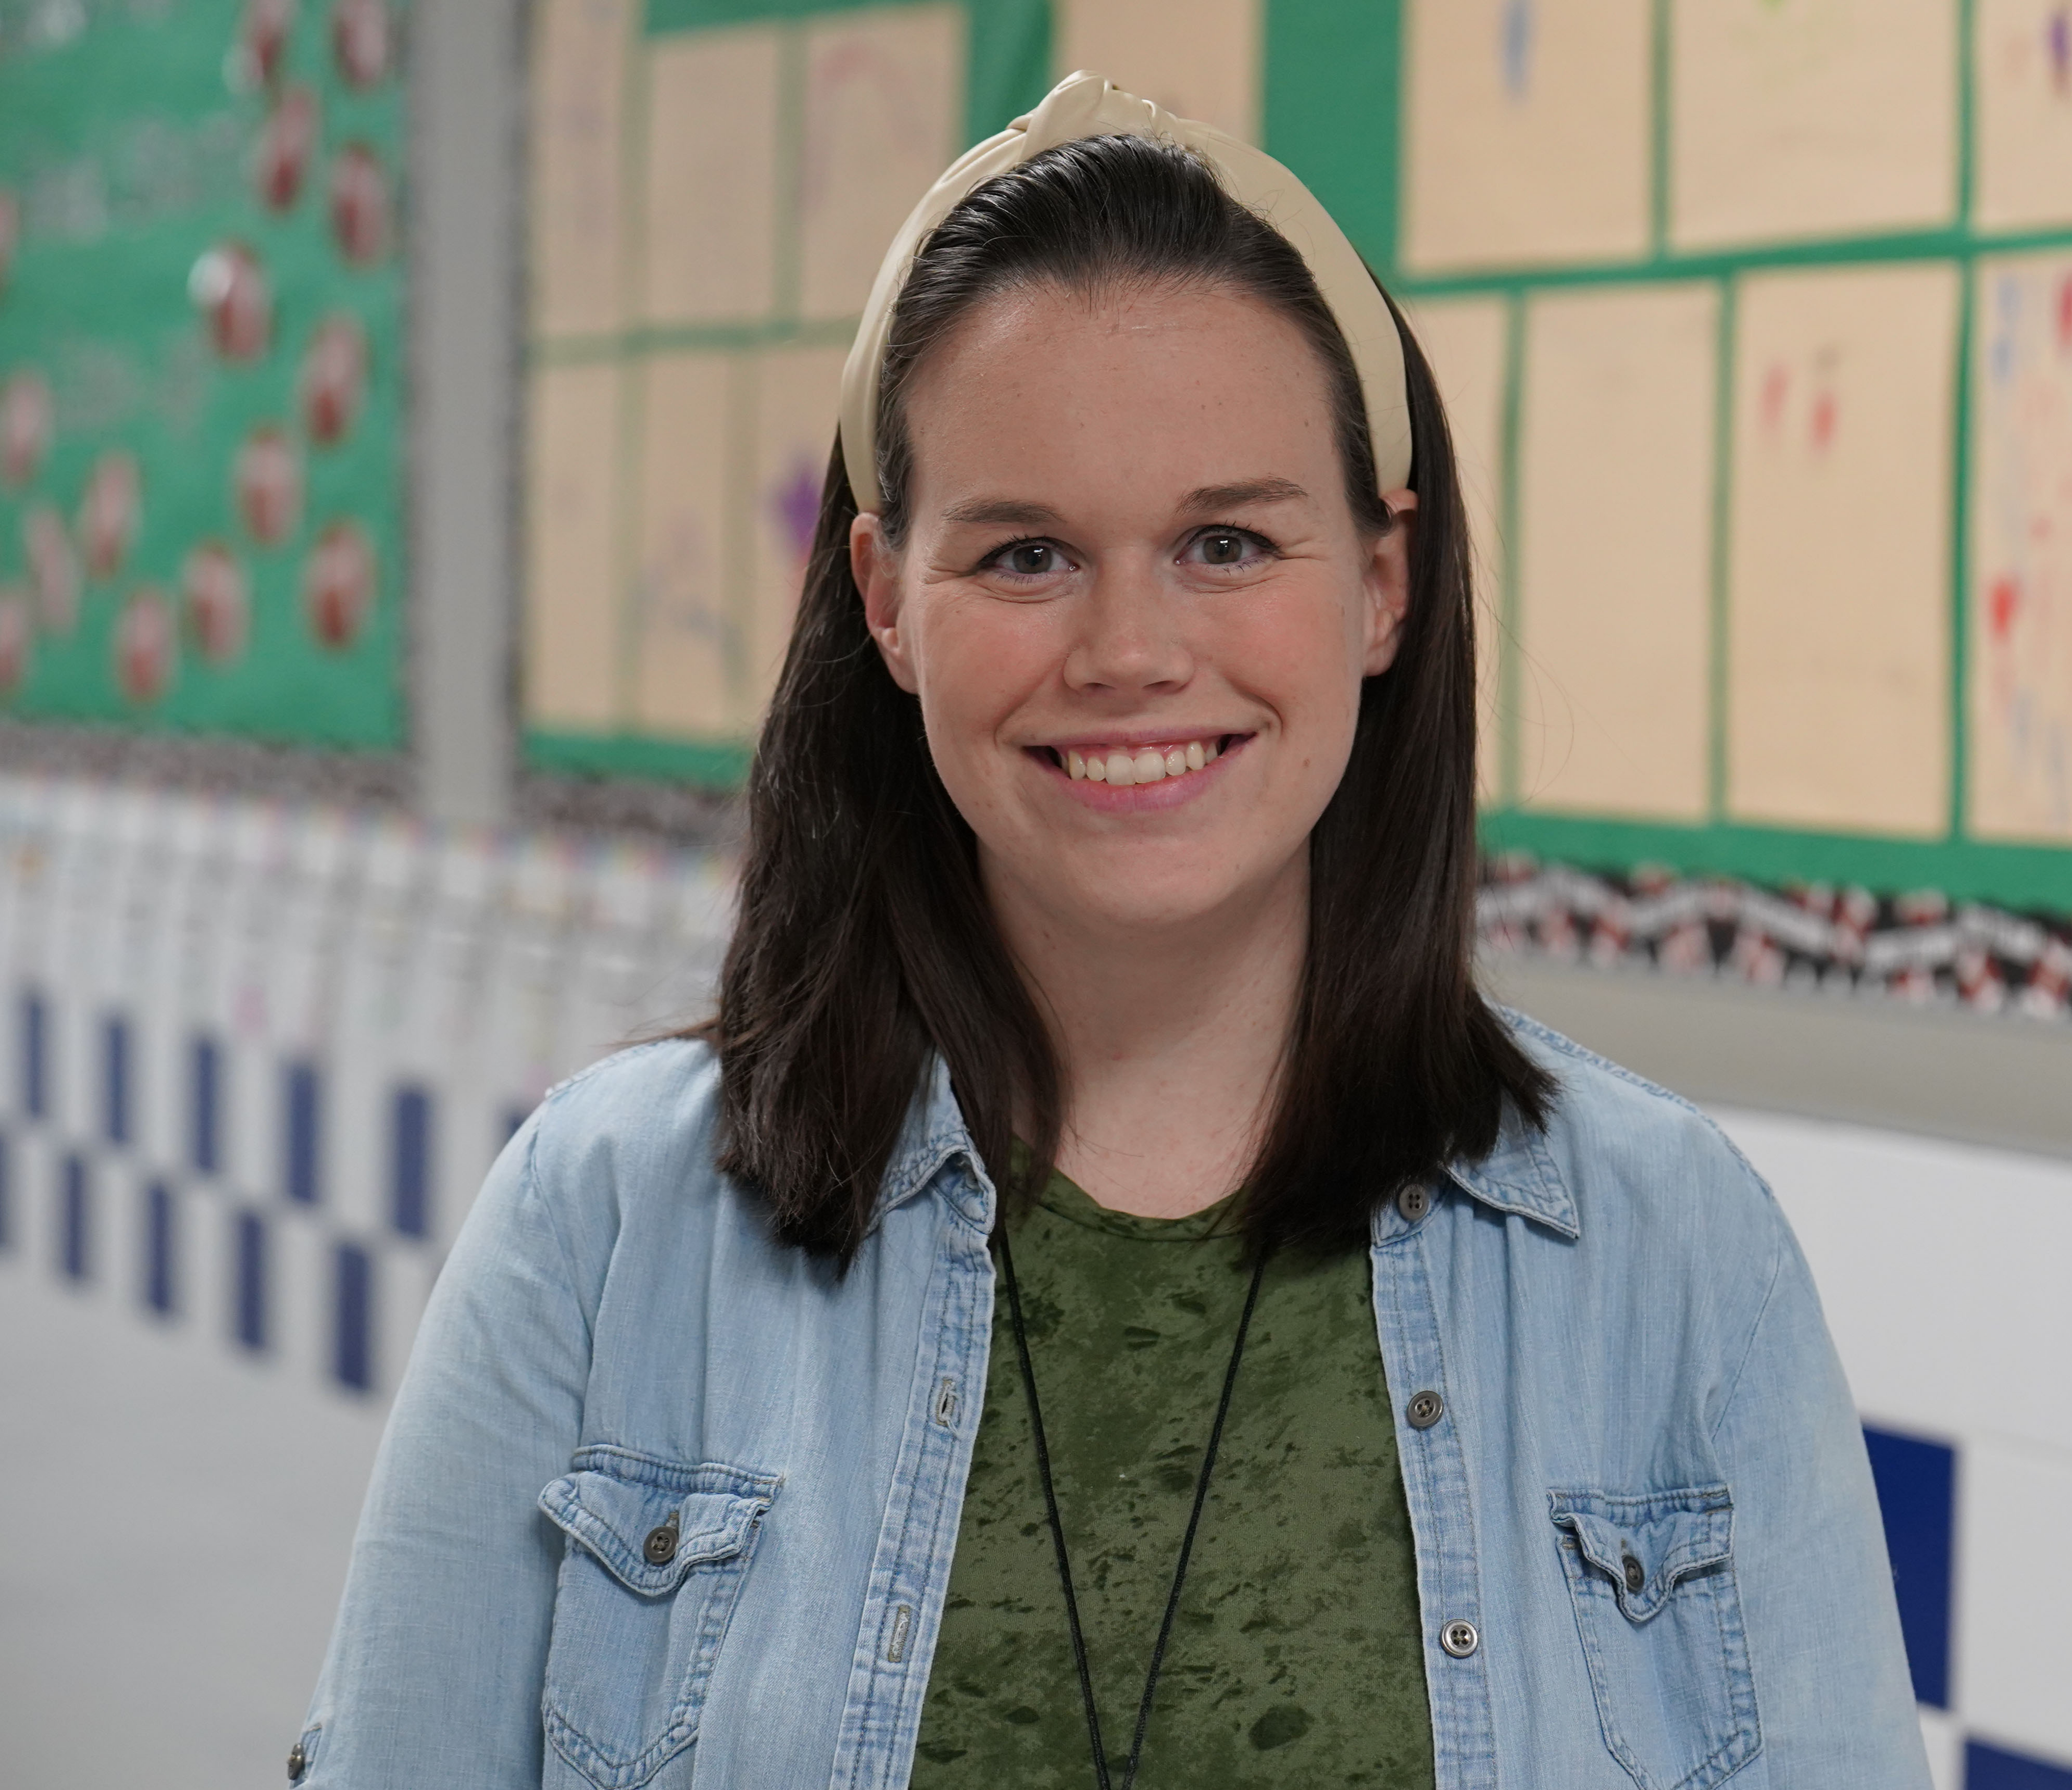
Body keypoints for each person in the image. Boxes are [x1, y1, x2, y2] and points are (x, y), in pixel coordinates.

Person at [294, 73, 1928, 1790]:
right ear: (883, 596)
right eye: (1024, 555)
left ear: (1380, 584)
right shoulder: (607, 1221)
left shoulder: (1674, 1256)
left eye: (1228, 540)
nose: (1131, 650)